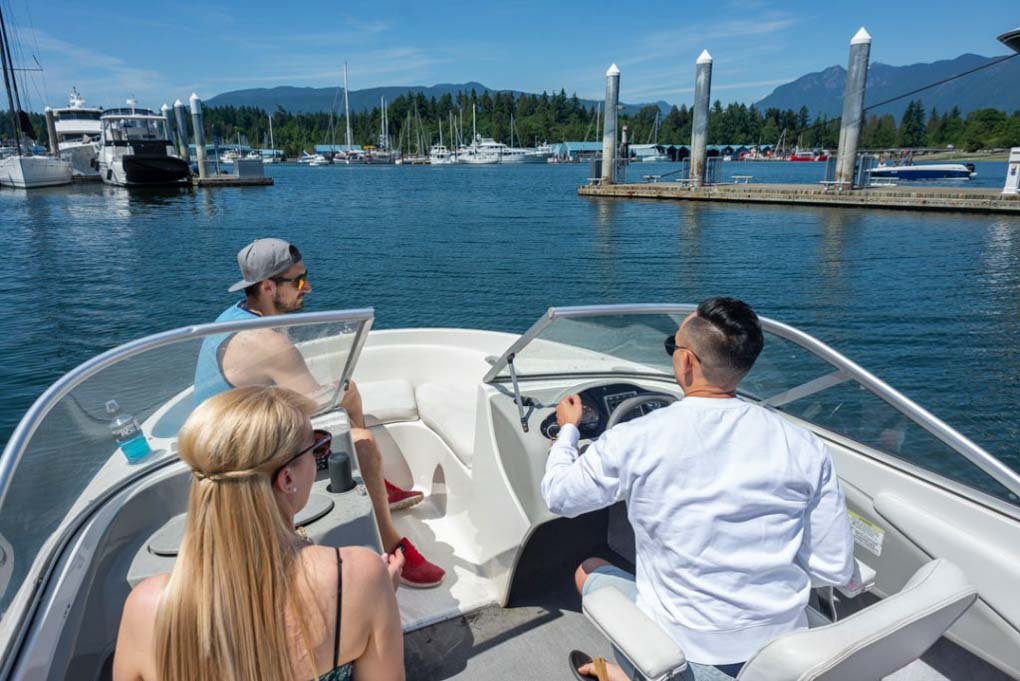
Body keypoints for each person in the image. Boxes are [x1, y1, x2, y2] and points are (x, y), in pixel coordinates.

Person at [541, 297, 854, 680]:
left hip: (687, 654)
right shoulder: (805, 445)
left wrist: (568, 430)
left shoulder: (635, 438)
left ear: (686, 361)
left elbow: (559, 496)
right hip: (784, 648)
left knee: (588, 570)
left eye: (673, 345)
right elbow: (833, 567)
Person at [193, 238, 444, 588]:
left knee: (349, 390)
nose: (307, 287)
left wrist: (338, 389)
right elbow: (318, 404)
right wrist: (336, 397)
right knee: (363, 443)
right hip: (241, 458)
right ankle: (389, 541)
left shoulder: (240, 316)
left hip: (235, 430)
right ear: (267, 287)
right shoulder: (268, 342)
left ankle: (378, 491)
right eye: (298, 281)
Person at [112, 386, 405, 681]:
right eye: (317, 446)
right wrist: (377, 596)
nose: (320, 454)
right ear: (287, 477)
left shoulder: (146, 607)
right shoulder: (359, 577)